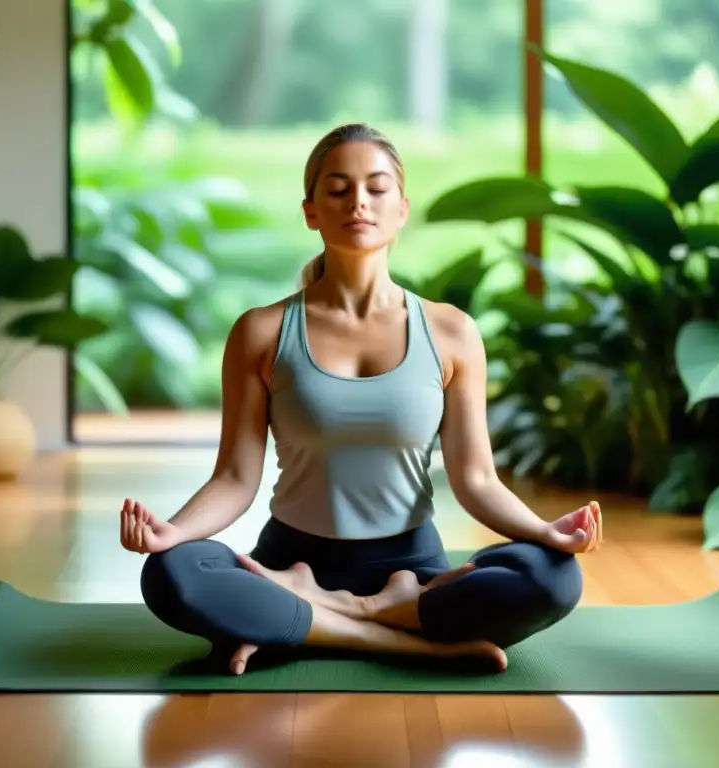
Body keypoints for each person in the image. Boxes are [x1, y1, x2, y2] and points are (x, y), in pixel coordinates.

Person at [120, 122, 603, 676]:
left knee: (554, 576)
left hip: (412, 572)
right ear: (311, 211)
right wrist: (173, 533)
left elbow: (476, 481)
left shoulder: (451, 332)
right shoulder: (260, 332)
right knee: (170, 571)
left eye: (376, 188)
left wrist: (546, 533)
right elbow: (235, 478)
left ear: (401, 209)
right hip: (289, 561)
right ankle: (395, 635)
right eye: (338, 188)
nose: (359, 202)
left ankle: (304, 621)